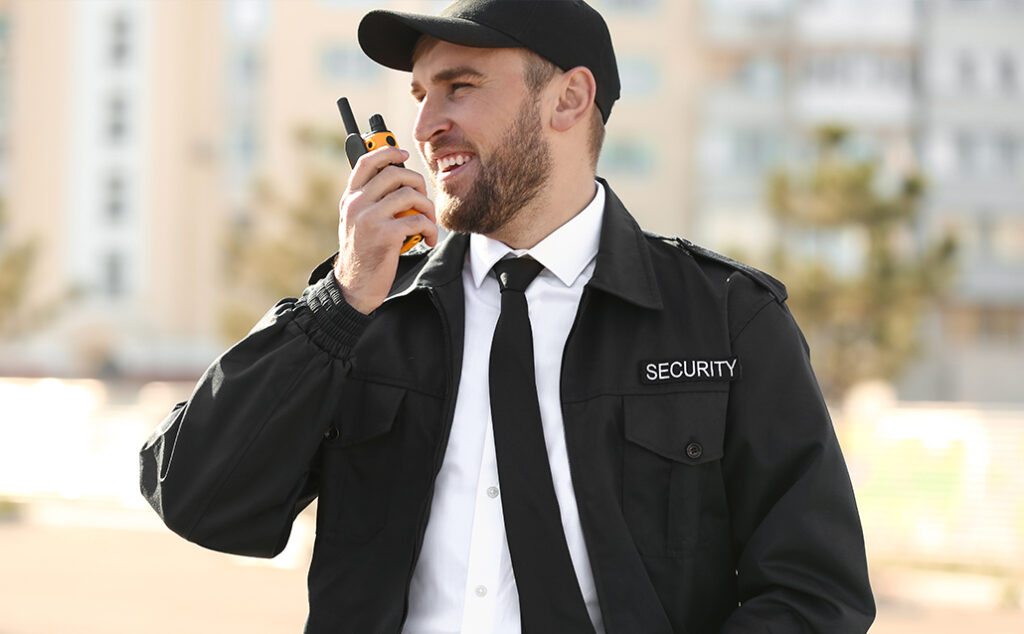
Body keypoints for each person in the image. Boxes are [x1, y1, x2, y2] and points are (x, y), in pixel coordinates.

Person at [139, 1, 875, 632]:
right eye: (420, 93)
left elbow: (816, 591)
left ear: (567, 100)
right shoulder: (362, 313)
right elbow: (197, 499)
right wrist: (342, 298)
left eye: (458, 87)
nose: (424, 124)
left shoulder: (725, 320)